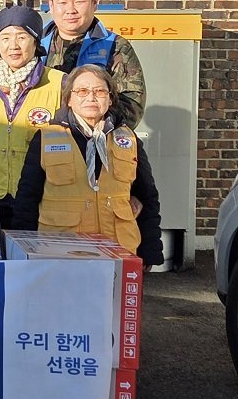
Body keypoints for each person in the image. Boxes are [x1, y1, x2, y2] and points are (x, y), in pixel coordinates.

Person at [13, 65, 162, 267]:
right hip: (60, 254)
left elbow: (148, 197)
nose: (91, 97)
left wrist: (149, 252)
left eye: (100, 91)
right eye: (82, 91)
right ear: (69, 99)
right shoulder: (46, 138)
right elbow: (27, 200)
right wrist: (24, 253)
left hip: (119, 251)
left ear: (110, 99)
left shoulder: (128, 139)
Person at [0, 6, 66, 228]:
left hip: (39, 197)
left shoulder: (59, 83)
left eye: (22, 37)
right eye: (5, 37)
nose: (13, 45)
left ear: (36, 41)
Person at [42, 0, 146, 127]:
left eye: (79, 1)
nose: (70, 10)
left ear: (94, 2)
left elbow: (132, 103)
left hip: (94, 137)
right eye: (62, 2)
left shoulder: (115, 46)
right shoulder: (34, 44)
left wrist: (97, 124)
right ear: (51, 5)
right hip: (40, 134)